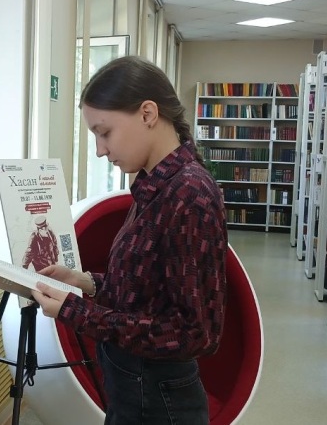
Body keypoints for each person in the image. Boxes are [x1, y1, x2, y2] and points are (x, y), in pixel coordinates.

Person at [31, 55, 227, 425]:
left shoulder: (189, 193)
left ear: (148, 114)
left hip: (159, 403)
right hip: (135, 391)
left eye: (105, 132)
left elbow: (195, 333)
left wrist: (78, 313)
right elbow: (147, 293)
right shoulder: (155, 186)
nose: (100, 150)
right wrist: (85, 283)